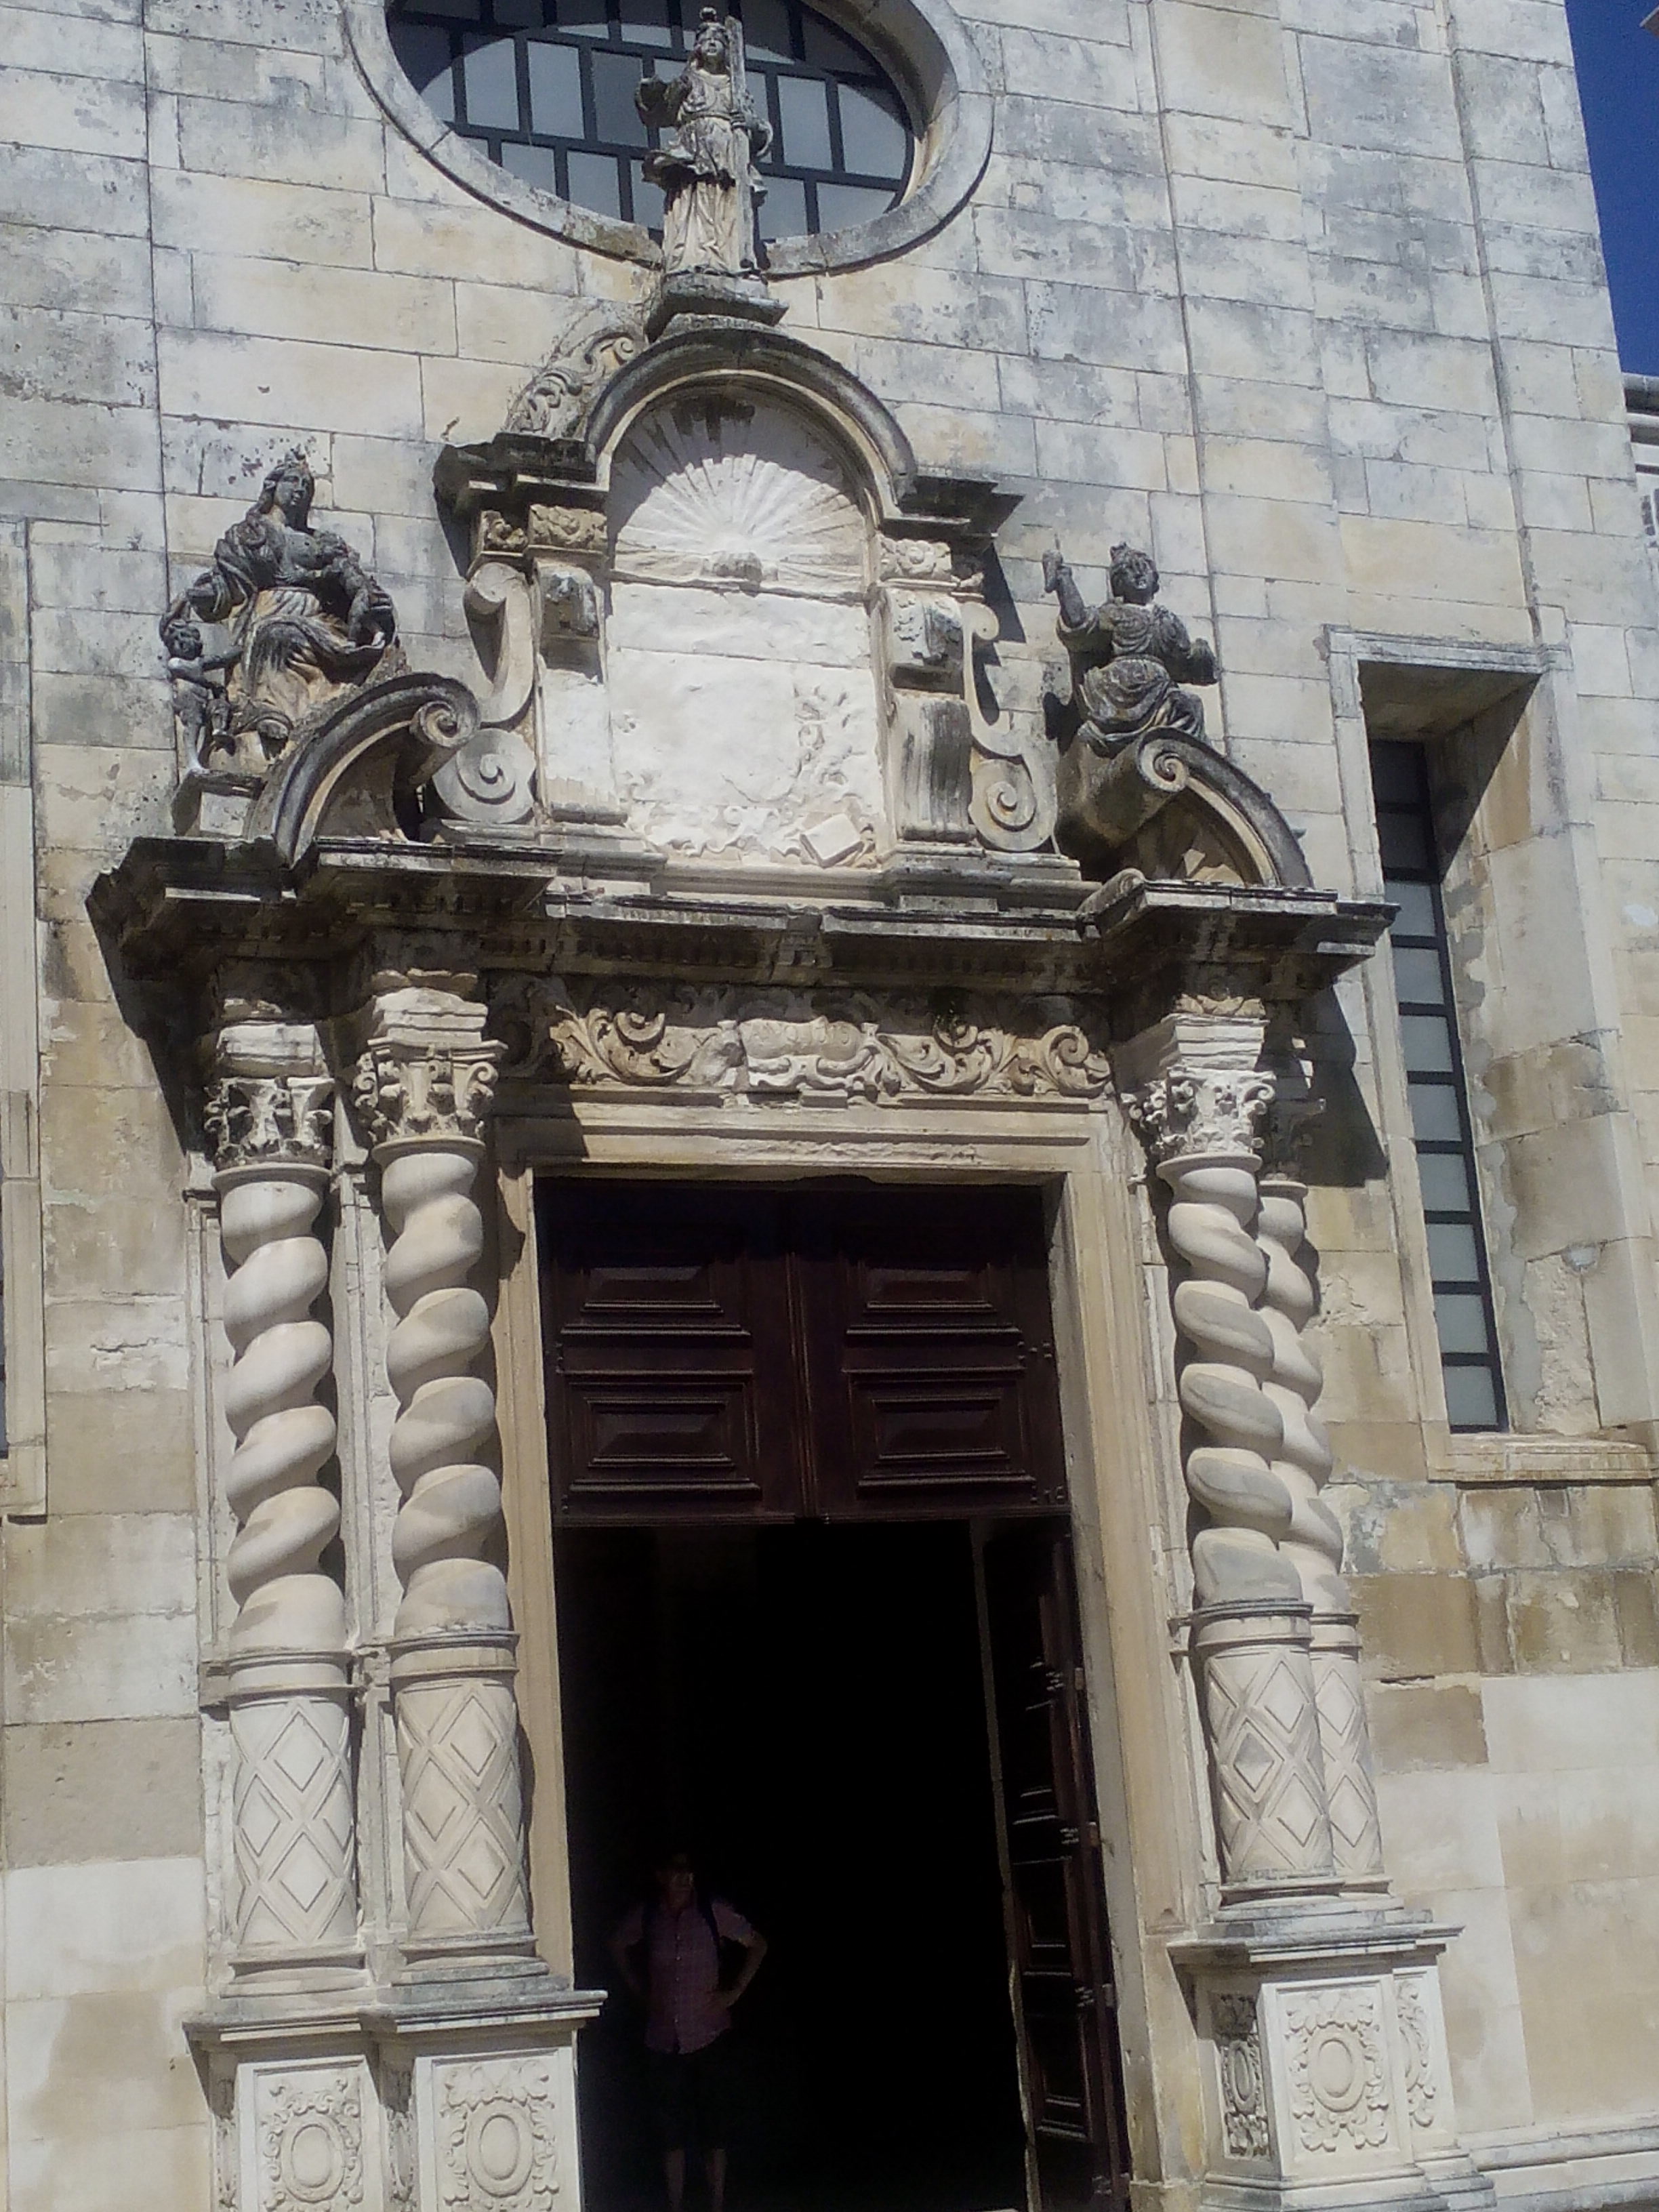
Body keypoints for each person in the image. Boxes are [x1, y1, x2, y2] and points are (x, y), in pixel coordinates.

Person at [609, 1851, 768, 2212]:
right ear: (661, 1875)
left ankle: (716, 2204)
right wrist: (638, 1990)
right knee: (670, 2132)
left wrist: (735, 1992)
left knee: (715, 2127)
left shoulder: (712, 1912)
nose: (684, 1879)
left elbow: (758, 1944)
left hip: (708, 2034)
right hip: (664, 2037)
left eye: (689, 1872)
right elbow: (617, 1943)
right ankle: (675, 2205)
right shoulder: (649, 1916)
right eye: (676, 1871)